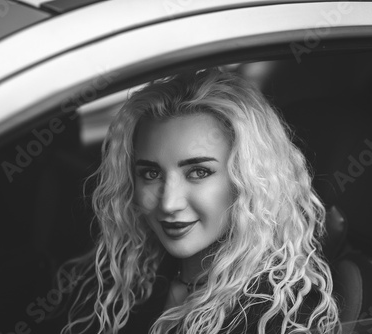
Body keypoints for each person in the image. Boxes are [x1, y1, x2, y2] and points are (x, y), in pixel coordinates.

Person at [59, 68, 340, 334]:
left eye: (198, 172)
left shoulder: (283, 312)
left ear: (247, 180)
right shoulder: (117, 283)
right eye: (151, 173)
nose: (169, 203)